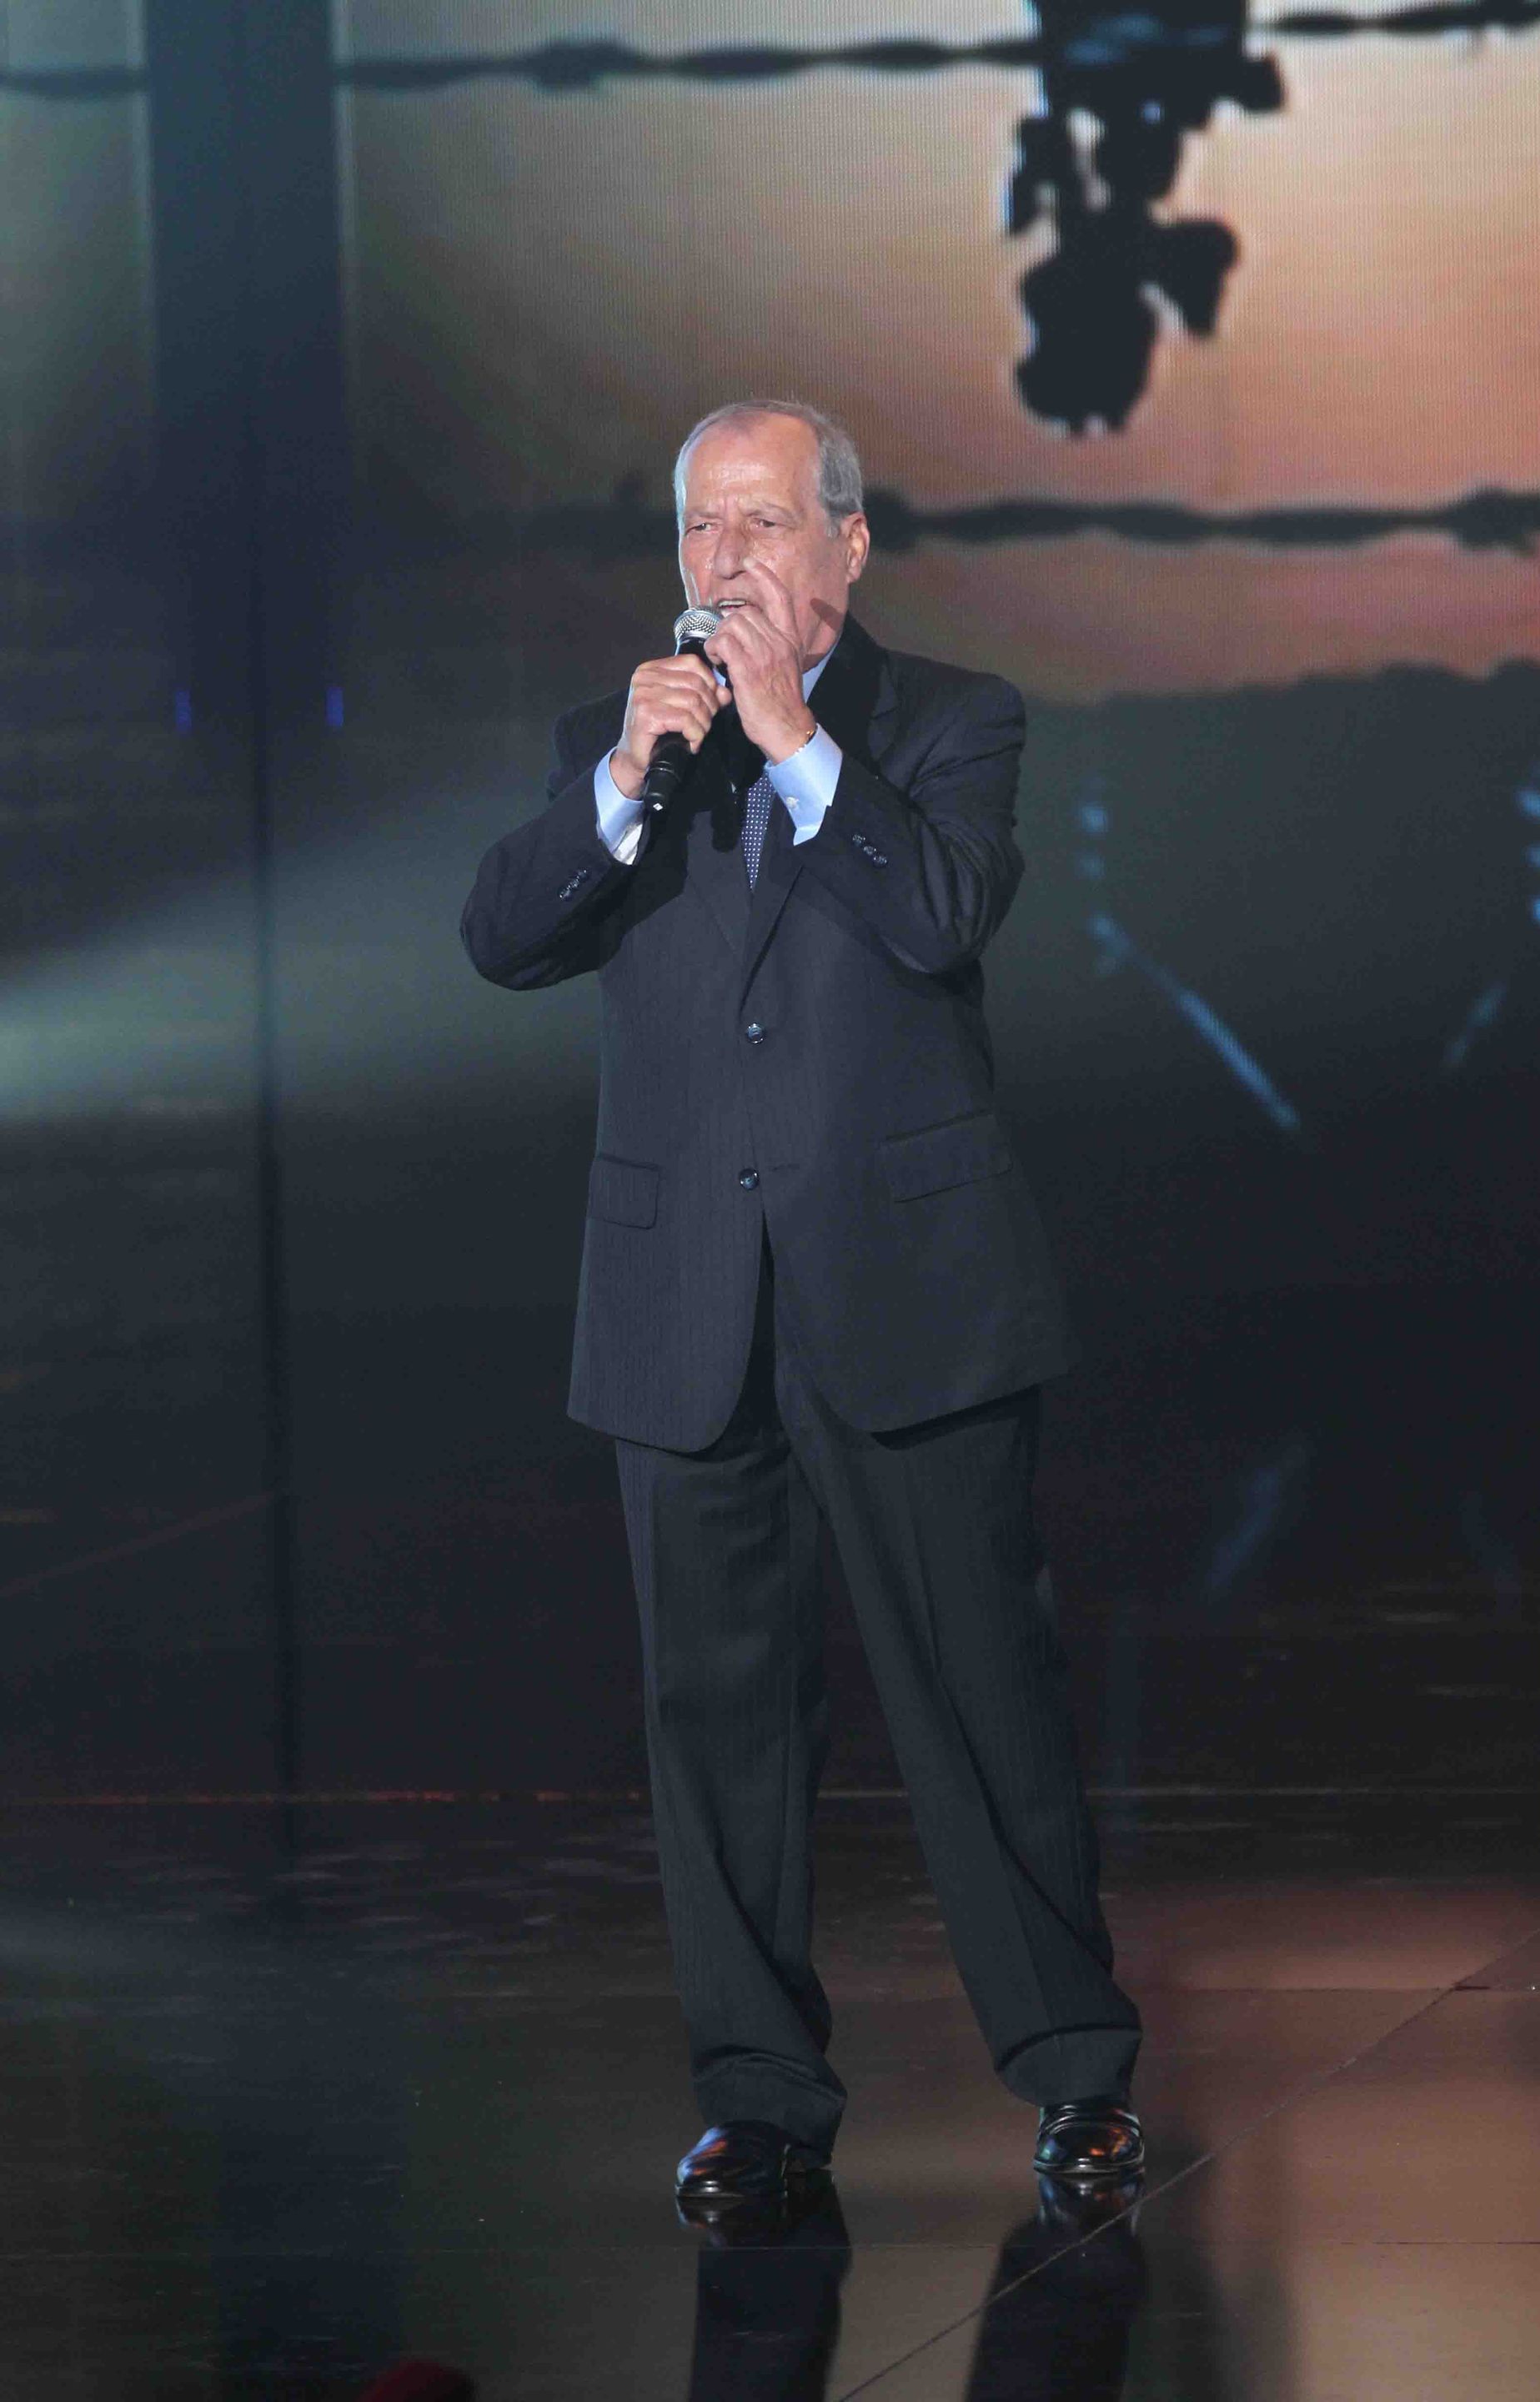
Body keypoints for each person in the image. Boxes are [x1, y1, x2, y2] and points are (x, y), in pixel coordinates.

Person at [461, 399, 1142, 2216]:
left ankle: (1077, 2076)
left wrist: (794, 738)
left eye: (764, 523)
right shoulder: (625, 743)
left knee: (979, 1697)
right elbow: (504, 935)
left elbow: (941, 915)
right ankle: (758, 2099)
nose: (727, 560)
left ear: (849, 542)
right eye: (702, 529)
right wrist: (628, 780)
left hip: (907, 1291)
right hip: (684, 1300)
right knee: (718, 1724)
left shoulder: (951, 721)